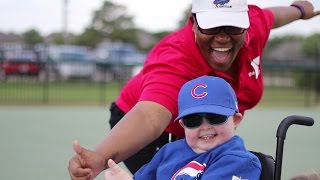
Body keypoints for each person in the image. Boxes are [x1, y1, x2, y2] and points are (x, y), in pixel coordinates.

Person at [68, 0, 320, 179]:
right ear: (194, 23)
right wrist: (100, 157)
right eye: (211, 27)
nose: (223, 37)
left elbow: (271, 16)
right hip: (149, 127)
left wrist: (299, 9)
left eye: (232, 26)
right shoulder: (175, 57)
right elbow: (149, 116)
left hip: (205, 126)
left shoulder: (252, 26)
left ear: (245, 24)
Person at [104, 76, 261, 180]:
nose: (205, 127)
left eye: (215, 118)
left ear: (235, 119)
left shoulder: (239, 161)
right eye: (193, 121)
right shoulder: (169, 152)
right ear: (182, 125)